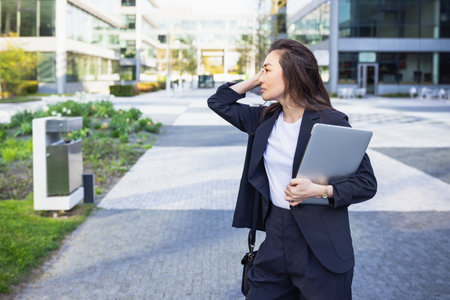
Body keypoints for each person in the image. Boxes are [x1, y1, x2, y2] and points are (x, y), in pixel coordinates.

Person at [207, 39, 377, 299]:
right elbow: (219, 102)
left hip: (320, 245)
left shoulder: (331, 122)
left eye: (267, 69)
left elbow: (366, 183)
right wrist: (256, 79)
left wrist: (320, 191)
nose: (261, 77)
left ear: (292, 73)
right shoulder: (264, 119)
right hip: (275, 236)